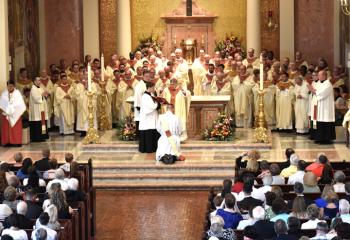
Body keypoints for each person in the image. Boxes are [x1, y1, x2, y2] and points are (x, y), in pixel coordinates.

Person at [307, 70, 336, 143]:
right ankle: (319, 138)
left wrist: (313, 90)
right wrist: (313, 90)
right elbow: (316, 92)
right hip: (319, 107)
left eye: (319, 75)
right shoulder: (319, 83)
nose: (318, 76)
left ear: (324, 76)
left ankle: (326, 140)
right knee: (318, 123)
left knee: (325, 122)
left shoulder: (328, 84)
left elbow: (321, 94)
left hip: (325, 108)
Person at [0, 80, 26, 146]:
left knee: (15, 129)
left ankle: (16, 142)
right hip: (6, 114)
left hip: (15, 114)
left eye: (11, 86)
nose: (10, 88)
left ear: (14, 86)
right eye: (8, 86)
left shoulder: (17, 93)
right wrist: (7, 107)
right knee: (6, 129)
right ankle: (7, 142)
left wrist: (11, 107)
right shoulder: (4, 93)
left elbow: (20, 104)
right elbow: (2, 103)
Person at [138, 82, 161, 153]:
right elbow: (152, 107)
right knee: (148, 133)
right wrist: (157, 102)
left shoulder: (150, 95)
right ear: (150, 88)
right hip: (148, 119)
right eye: (153, 88)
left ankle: (153, 148)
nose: (154, 89)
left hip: (151, 118)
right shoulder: (145, 96)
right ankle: (148, 149)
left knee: (152, 131)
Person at [75, 71, 98, 136]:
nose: (86, 76)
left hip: (90, 103)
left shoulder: (92, 84)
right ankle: (83, 130)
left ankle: (91, 129)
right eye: (85, 74)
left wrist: (88, 88)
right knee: (82, 115)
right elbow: (77, 94)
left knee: (90, 115)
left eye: (87, 74)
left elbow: (95, 93)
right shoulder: (79, 84)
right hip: (82, 103)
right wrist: (84, 88)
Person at [29, 77, 49, 142]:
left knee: (42, 123)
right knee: (37, 123)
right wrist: (42, 95)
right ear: (34, 81)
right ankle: (37, 138)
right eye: (38, 80)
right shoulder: (33, 89)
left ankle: (42, 136)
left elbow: (44, 96)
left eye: (40, 80)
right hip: (36, 110)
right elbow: (36, 99)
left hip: (41, 109)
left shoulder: (40, 88)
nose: (39, 81)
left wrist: (45, 94)